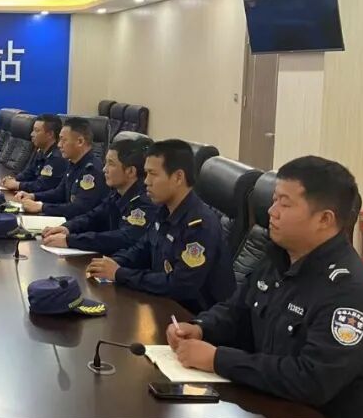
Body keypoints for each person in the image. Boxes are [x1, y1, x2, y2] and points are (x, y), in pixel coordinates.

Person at [167, 156, 363, 418]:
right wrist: (201, 328)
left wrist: (217, 359)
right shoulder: (279, 258)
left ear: (324, 219)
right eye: (274, 201)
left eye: (285, 204)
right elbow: (237, 313)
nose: (272, 212)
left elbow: (311, 380)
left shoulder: (349, 291)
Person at [86, 139, 232, 313]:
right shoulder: (164, 209)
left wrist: (120, 273)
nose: (146, 181)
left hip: (192, 317)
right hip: (161, 303)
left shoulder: (200, 225)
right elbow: (142, 249)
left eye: (152, 174)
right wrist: (112, 263)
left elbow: (179, 285)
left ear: (178, 177)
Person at [41, 138, 158, 253]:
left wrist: (70, 241)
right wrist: (67, 228)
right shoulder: (117, 193)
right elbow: (94, 216)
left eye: (111, 164)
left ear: (130, 171)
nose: (104, 169)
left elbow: (122, 238)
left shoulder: (145, 201)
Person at [14, 117, 106, 219]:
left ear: (80, 141)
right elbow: (59, 193)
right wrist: (33, 196)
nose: (59, 145)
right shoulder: (73, 163)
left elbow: (79, 208)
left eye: (63, 140)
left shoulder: (92, 170)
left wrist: (42, 207)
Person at [0, 113, 66, 194]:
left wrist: (18, 185)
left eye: (36, 130)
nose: (31, 134)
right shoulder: (41, 150)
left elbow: (42, 186)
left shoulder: (57, 157)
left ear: (50, 134)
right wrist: (14, 179)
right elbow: (29, 172)